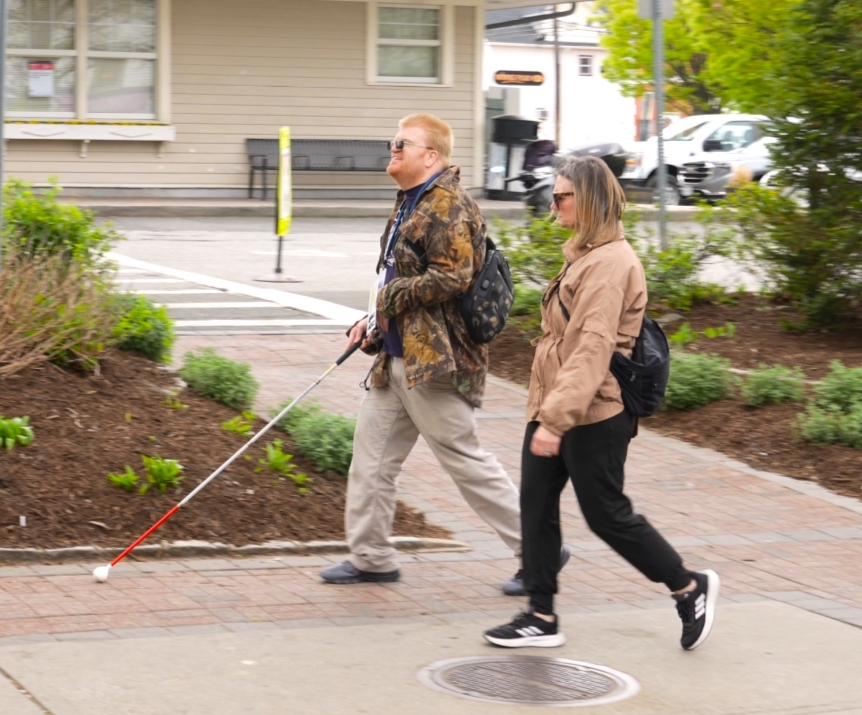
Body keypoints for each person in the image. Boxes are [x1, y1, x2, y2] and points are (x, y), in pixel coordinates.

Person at [319, 114, 569, 591]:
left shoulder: (449, 205)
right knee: (370, 463)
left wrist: (389, 303)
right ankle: (371, 557)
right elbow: (393, 276)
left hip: (436, 363)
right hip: (394, 360)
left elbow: (453, 277)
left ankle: (542, 553)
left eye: (401, 143)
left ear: (430, 155)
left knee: (466, 462)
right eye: (392, 141)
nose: (392, 149)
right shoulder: (410, 201)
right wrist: (371, 322)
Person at [483, 156, 720, 650]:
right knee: (536, 507)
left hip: (594, 412)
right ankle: (540, 615)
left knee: (606, 514)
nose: (554, 203)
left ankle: (688, 585)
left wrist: (556, 420)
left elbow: (592, 348)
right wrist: (547, 413)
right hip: (556, 404)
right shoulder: (585, 254)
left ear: (588, 200)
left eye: (563, 195)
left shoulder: (611, 264)